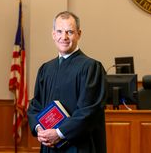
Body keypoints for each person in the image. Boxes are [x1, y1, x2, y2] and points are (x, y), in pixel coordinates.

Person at [27, 11, 107, 153]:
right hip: (49, 145)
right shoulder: (46, 69)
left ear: (79, 34)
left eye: (70, 32)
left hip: (79, 147)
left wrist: (58, 133)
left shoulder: (91, 67)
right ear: (53, 34)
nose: (64, 37)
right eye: (59, 31)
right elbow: (35, 105)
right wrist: (39, 129)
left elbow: (89, 111)